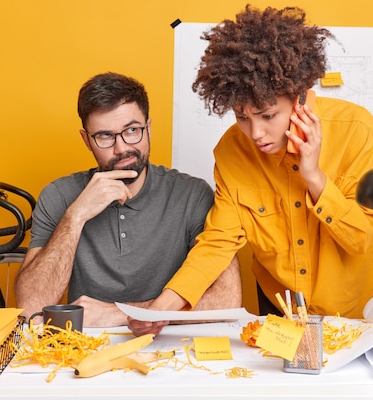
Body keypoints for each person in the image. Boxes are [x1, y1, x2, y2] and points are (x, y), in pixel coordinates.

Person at [129, 5, 373, 336]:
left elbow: (361, 239)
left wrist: (314, 177)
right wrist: (162, 308)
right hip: (279, 310)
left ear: (301, 100)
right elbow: (218, 241)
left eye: (268, 116)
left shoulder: (356, 130)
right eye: (241, 117)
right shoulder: (231, 151)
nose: (255, 134)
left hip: (349, 308)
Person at [15, 72, 241, 327]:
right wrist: (75, 216)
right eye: (105, 136)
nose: (122, 148)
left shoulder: (192, 194)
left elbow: (226, 302)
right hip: (89, 348)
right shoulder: (59, 195)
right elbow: (30, 308)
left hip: (172, 348)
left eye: (132, 130)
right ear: (86, 140)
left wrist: (120, 314)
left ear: (149, 128)